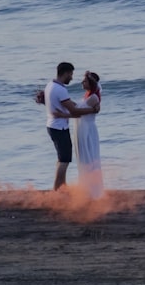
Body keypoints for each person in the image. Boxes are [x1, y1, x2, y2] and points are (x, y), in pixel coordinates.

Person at [38, 62, 100, 191]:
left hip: (54, 126)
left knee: (62, 159)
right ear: (65, 73)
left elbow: (65, 105)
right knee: (64, 160)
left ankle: (61, 187)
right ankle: (57, 190)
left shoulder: (50, 85)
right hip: (58, 128)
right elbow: (75, 111)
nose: (72, 78)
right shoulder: (60, 89)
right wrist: (92, 111)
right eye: (71, 74)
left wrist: (61, 113)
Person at [74, 70, 103, 198]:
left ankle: (91, 190)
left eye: (84, 81)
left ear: (90, 83)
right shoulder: (87, 95)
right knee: (84, 157)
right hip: (82, 127)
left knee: (89, 157)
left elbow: (79, 111)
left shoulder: (93, 97)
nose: (82, 82)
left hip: (87, 129)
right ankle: (86, 187)